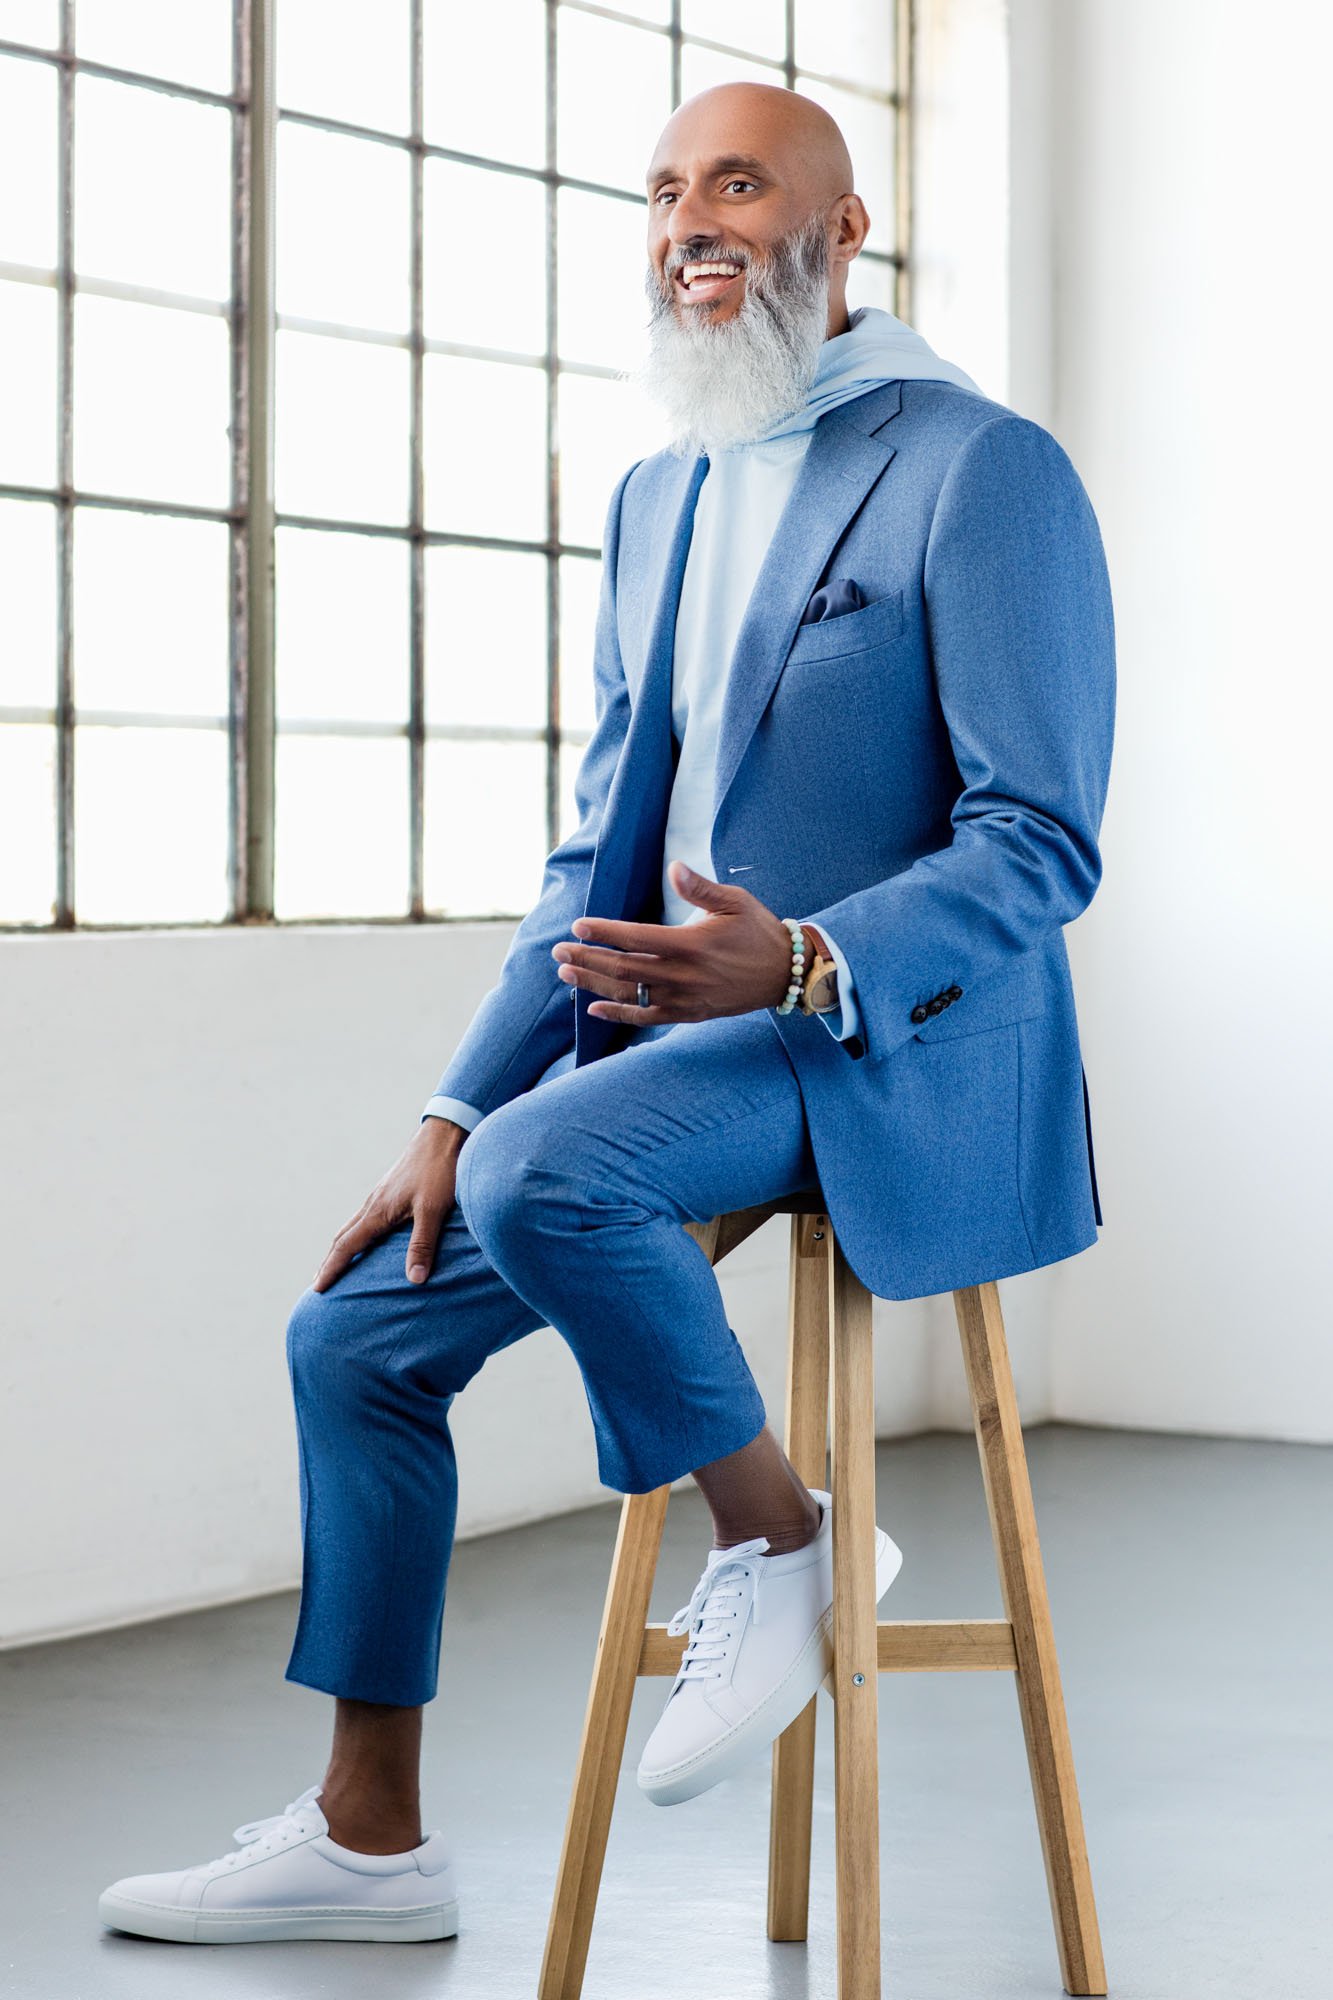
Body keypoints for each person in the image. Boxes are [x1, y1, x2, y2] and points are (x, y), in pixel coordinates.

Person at [97, 78, 1114, 1946]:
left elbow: (1039, 842)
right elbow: (591, 864)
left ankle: (789, 1543)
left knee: (556, 1171)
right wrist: (447, 1109)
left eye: (739, 182)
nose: (690, 221)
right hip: (672, 1053)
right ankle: (369, 1843)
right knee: (355, 1332)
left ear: (840, 229)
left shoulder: (980, 466)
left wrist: (803, 959)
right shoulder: (658, 496)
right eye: (663, 191)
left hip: (880, 1047)